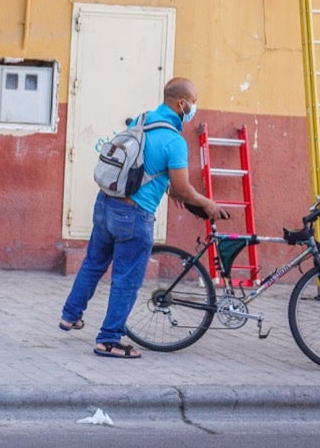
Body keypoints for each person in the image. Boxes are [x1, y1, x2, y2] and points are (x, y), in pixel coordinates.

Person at [59, 77, 227, 358]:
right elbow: (183, 188)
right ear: (181, 104)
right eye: (193, 103)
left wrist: (171, 190)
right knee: (126, 280)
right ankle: (108, 341)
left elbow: (147, 167)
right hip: (134, 215)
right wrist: (207, 203)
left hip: (105, 203)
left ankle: (70, 315)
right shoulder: (175, 141)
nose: (194, 108)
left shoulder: (143, 119)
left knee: (93, 264)